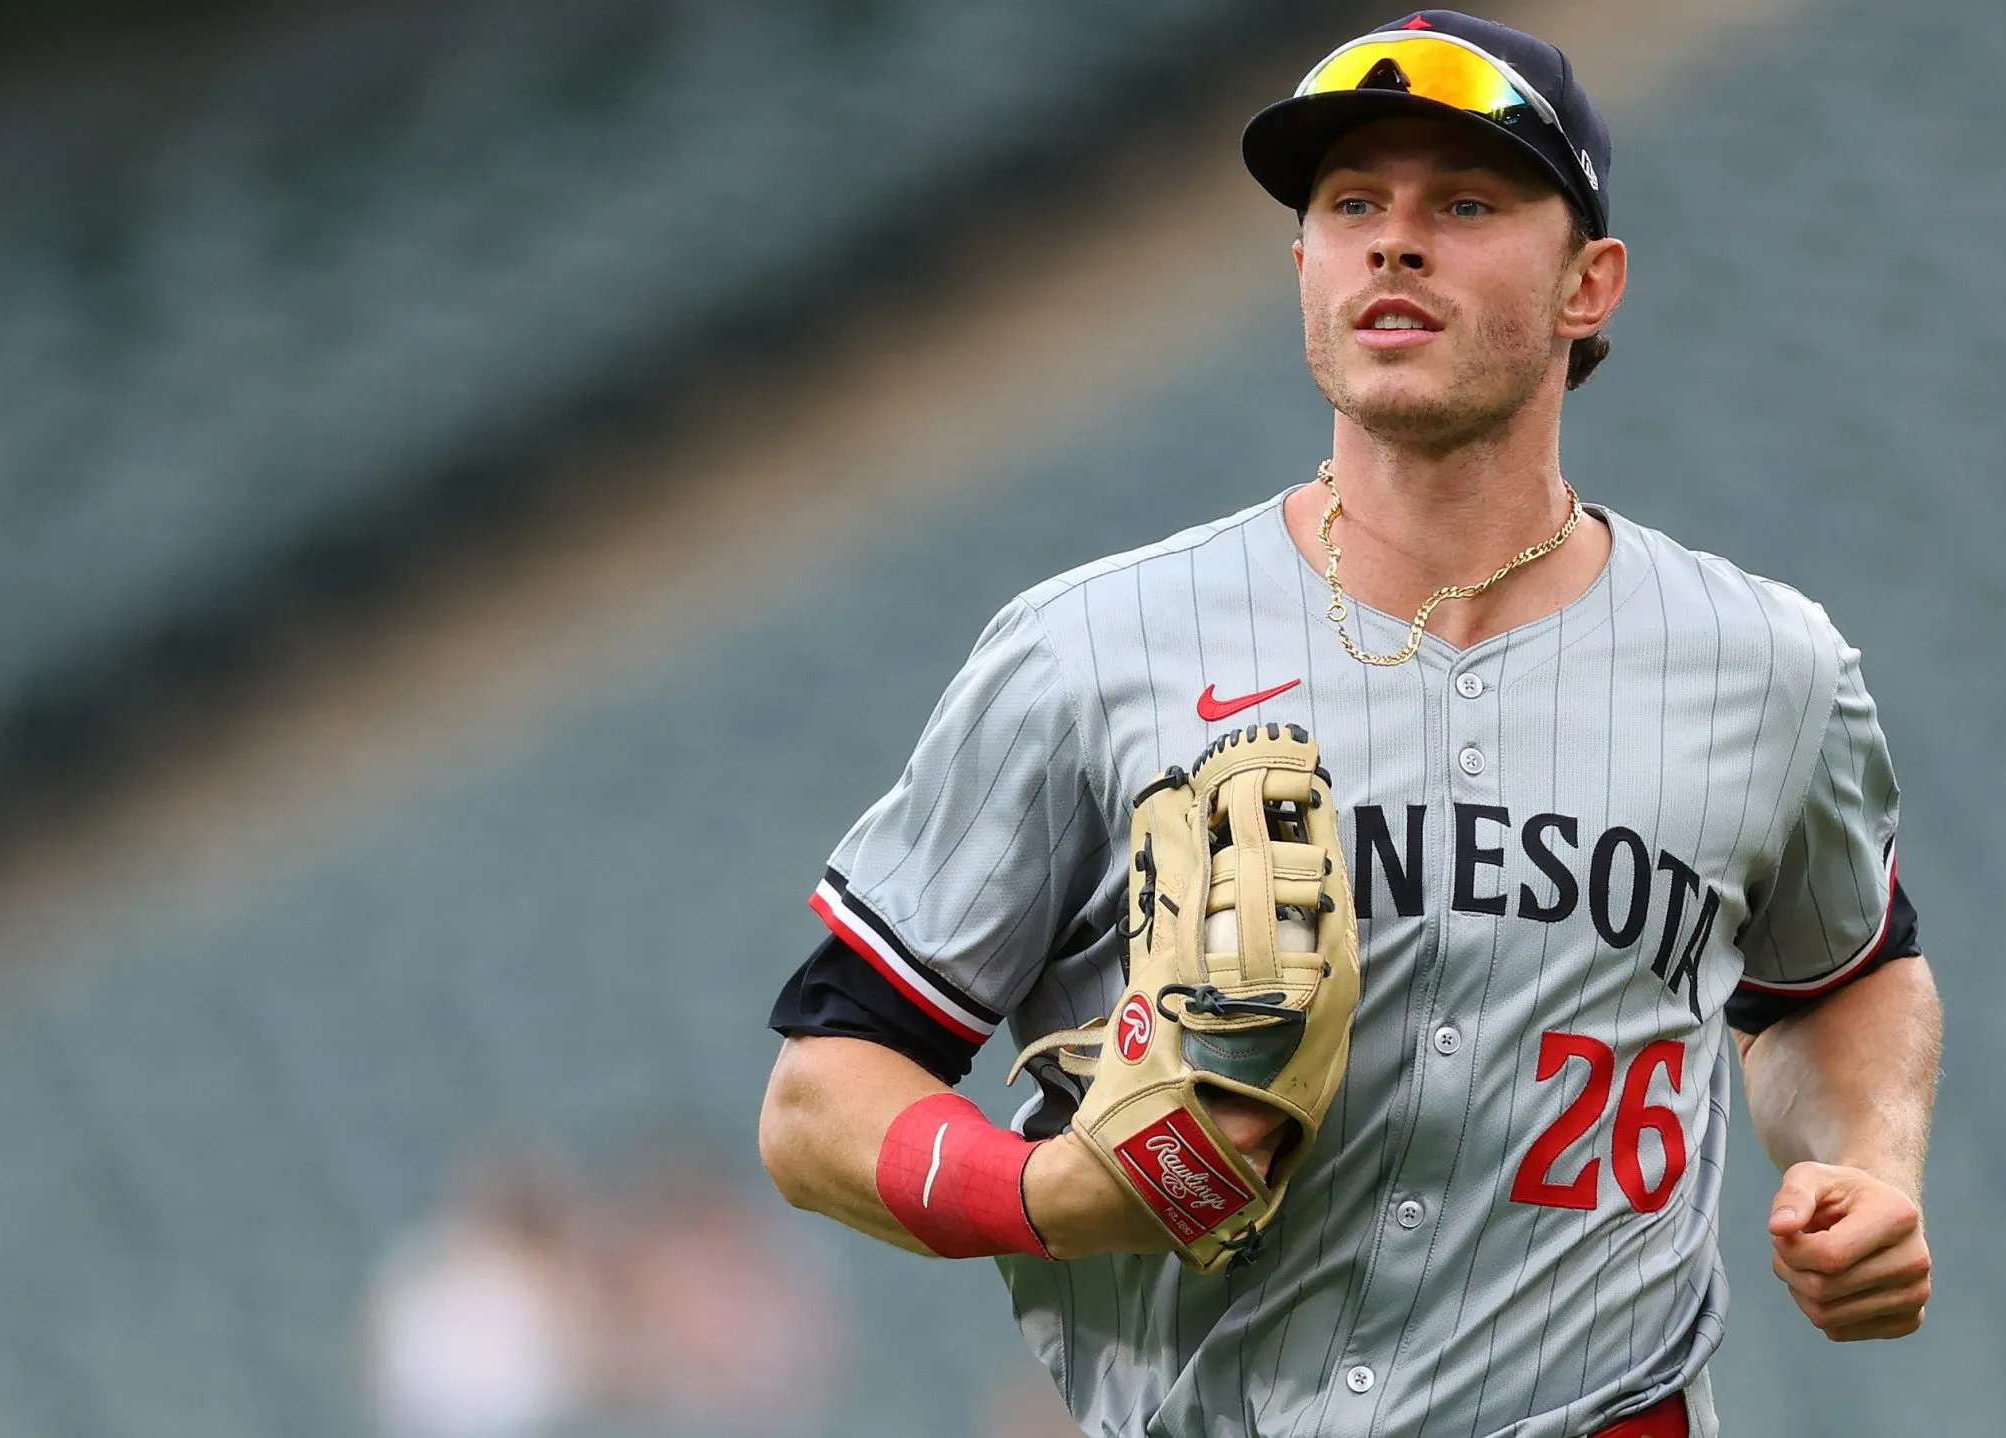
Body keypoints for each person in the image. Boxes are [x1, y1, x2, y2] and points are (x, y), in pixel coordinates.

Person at [758, 12, 1941, 1436]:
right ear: (1303, 269)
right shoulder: (1092, 650)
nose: (1394, 241)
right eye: (1350, 204)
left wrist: (1871, 1159)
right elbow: (822, 1090)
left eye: (1465, 202)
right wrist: (1035, 1191)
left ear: (1590, 284)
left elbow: (1838, 975)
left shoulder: (1765, 668)